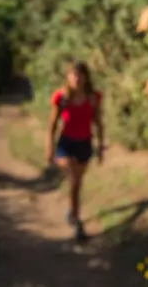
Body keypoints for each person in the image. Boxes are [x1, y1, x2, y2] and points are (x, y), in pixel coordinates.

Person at [46, 59, 104, 241]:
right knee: (73, 181)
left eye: (80, 75)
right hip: (66, 144)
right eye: (73, 75)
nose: (76, 79)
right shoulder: (61, 98)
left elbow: (98, 123)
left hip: (84, 143)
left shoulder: (93, 98)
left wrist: (100, 146)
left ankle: (72, 211)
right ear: (68, 77)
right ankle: (77, 222)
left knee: (77, 183)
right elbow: (52, 125)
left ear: (86, 78)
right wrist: (49, 149)